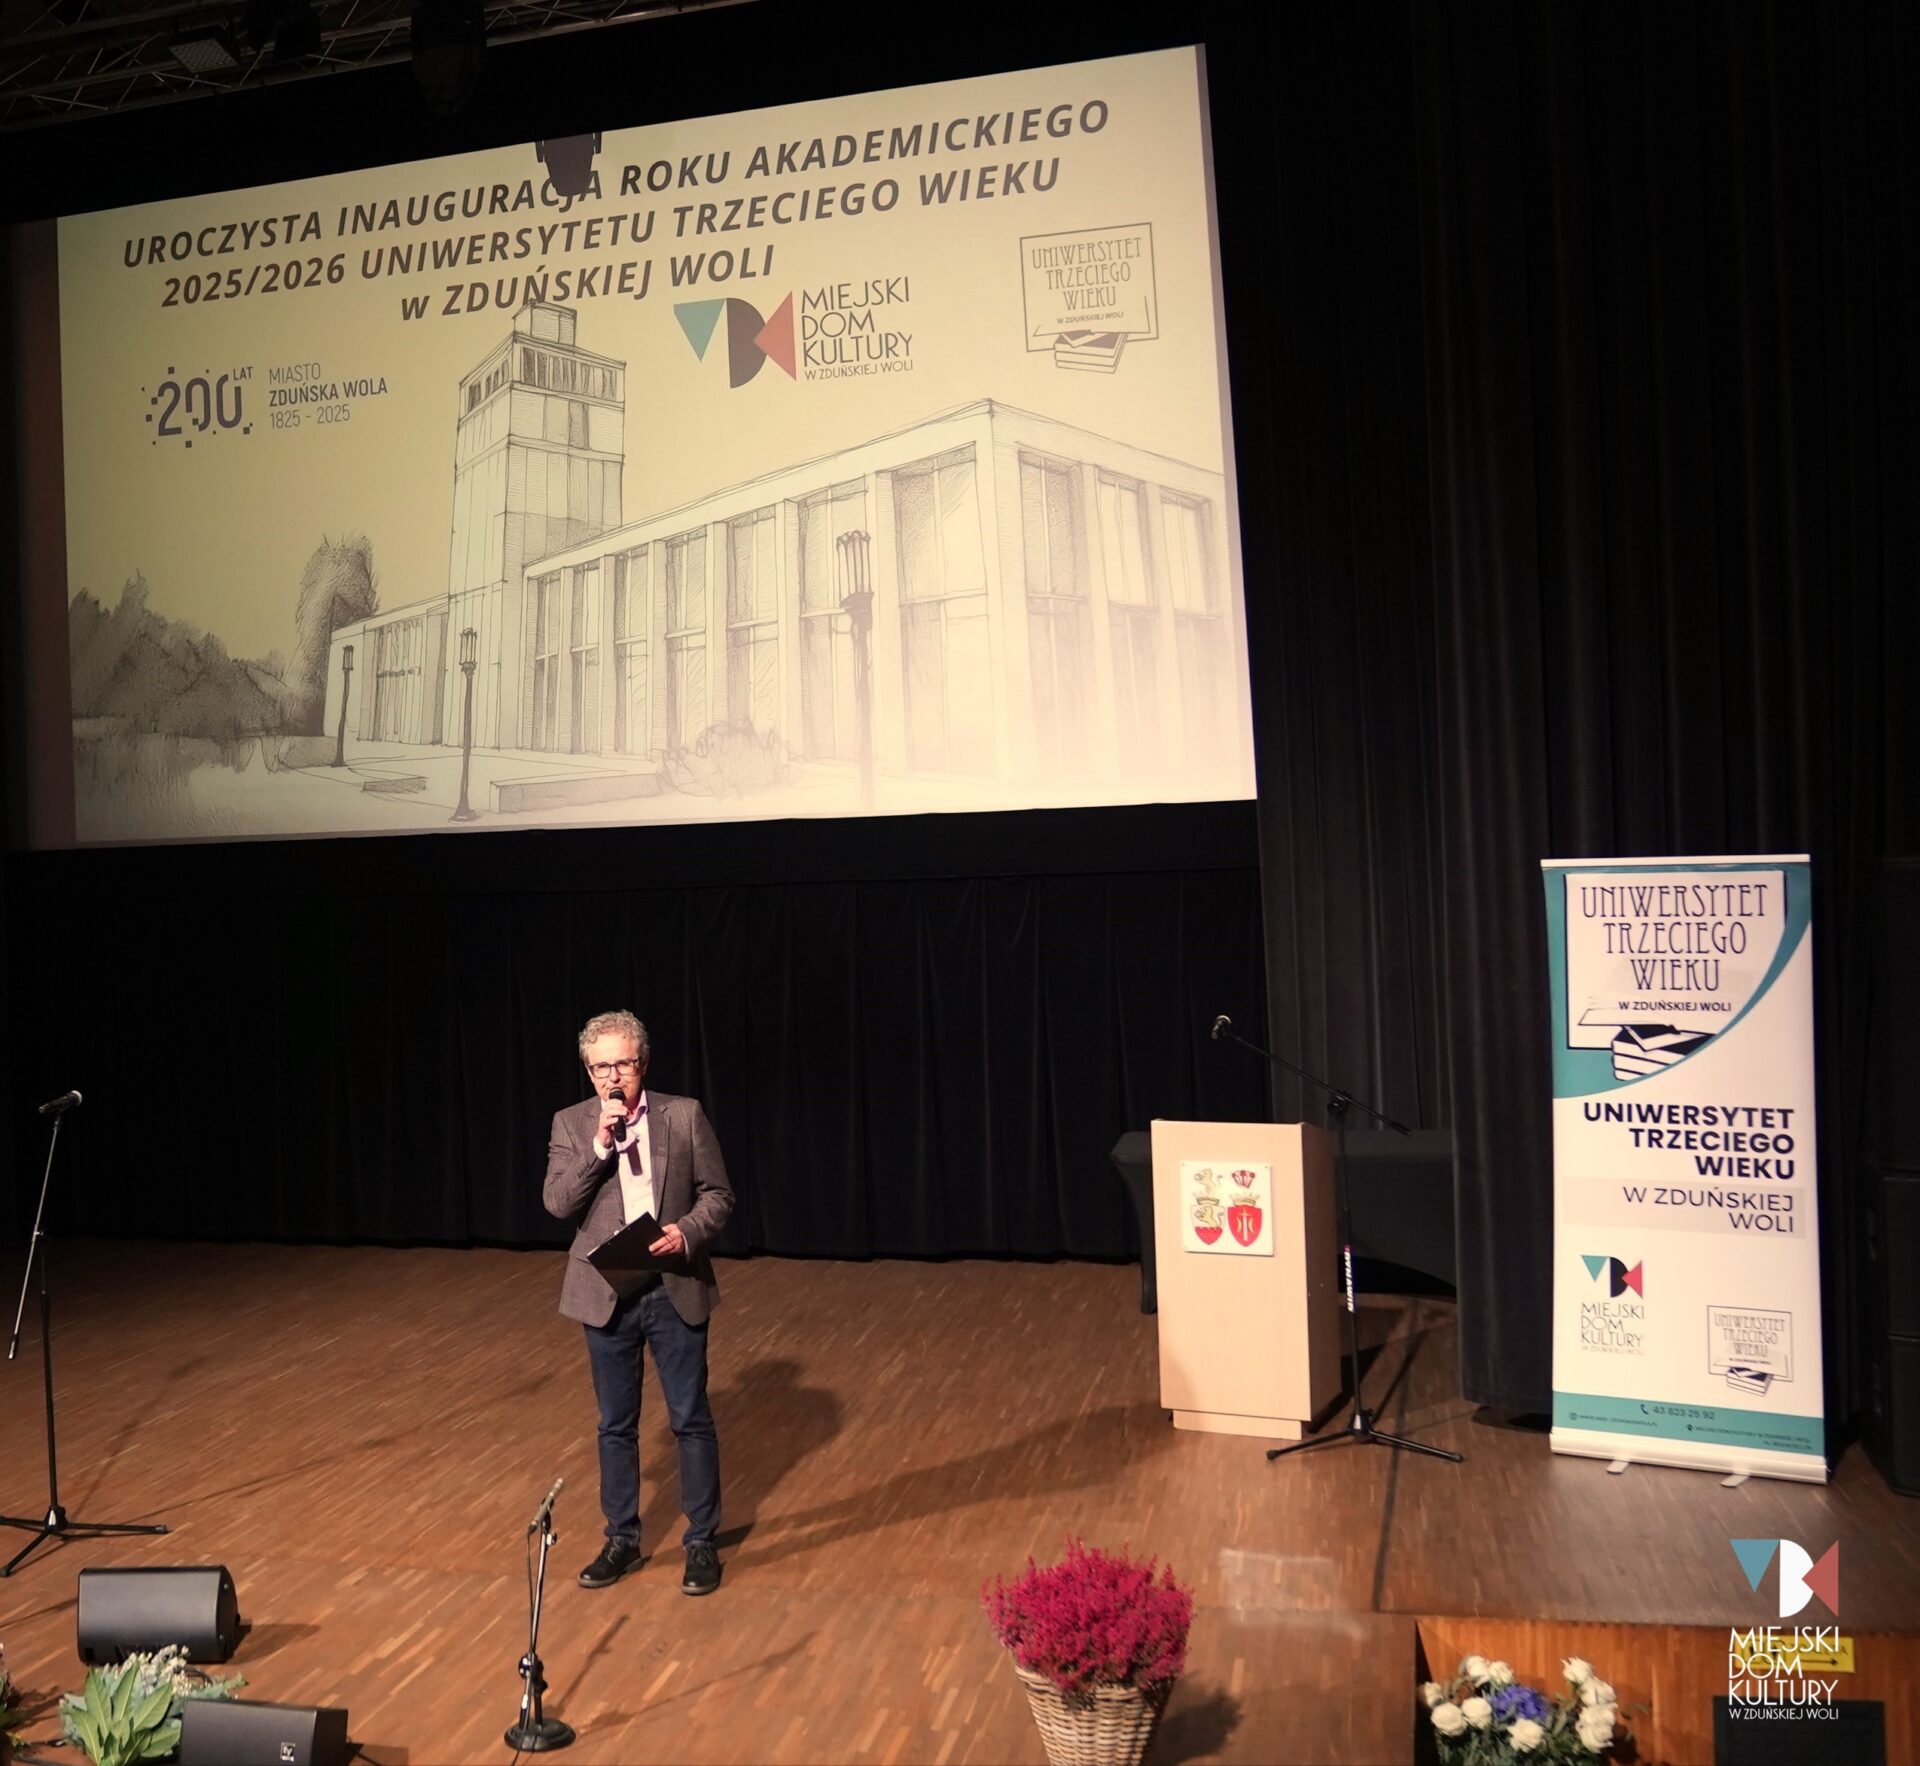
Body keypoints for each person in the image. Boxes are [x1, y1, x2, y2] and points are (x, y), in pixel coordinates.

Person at [543, 1009, 734, 1595]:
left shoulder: (683, 1115)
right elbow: (558, 1203)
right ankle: (621, 1539)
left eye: (622, 1064)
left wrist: (687, 1231)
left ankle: (700, 1542)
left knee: (689, 1418)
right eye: (601, 1067)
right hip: (606, 1293)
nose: (612, 1077)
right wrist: (600, 1145)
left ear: (643, 1064)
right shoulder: (572, 1124)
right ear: (588, 1072)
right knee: (615, 1425)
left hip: (673, 1284)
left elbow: (718, 1195)